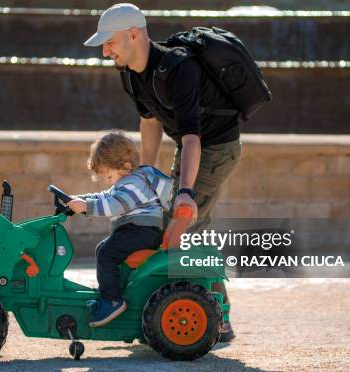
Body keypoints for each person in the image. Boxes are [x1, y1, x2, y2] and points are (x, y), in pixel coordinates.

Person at [84, 3, 241, 341]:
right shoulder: (129, 72)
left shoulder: (178, 68)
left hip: (215, 147)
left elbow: (192, 136)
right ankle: (213, 315)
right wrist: (145, 172)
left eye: (109, 42)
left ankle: (211, 318)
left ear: (134, 34)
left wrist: (184, 191)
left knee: (181, 222)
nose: (105, 51)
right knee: (187, 224)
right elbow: (150, 120)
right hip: (192, 148)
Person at [68, 131, 173, 327]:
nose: (107, 181)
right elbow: (104, 196)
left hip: (143, 232)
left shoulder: (133, 183)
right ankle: (113, 292)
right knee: (102, 249)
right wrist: (80, 199)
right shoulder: (126, 181)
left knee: (107, 253)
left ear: (124, 167)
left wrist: (87, 207)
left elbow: (115, 205)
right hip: (136, 231)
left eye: (108, 176)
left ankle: (112, 301)